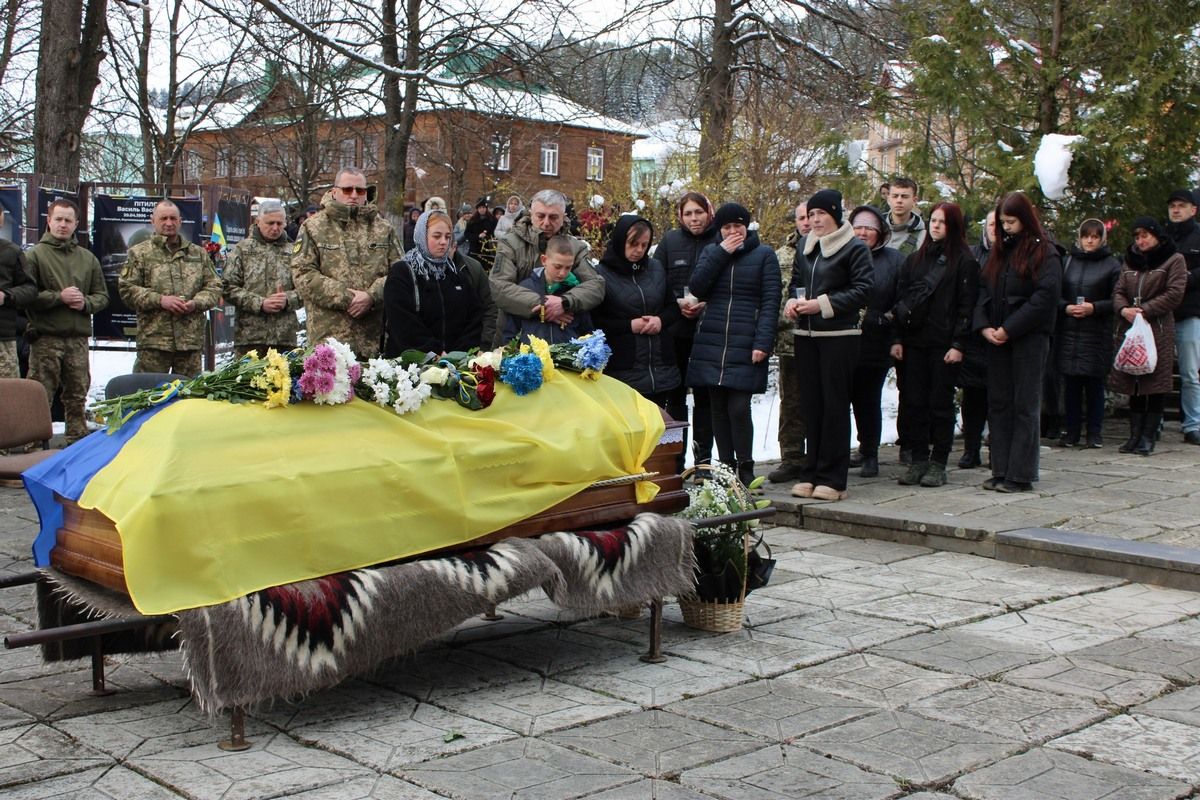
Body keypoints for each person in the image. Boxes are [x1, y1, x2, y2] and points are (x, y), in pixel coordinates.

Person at [784, 190, 873, 501]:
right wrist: (793, 302)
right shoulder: (805, 247)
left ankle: (833, 479)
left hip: (839, 337)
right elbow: (796, 284)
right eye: (811, 214)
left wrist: (821, 304)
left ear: (835, 214)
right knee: (811, 407)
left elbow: (863, 290)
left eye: (821, 213)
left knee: (834, 406)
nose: (815, 220)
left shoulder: (854, 248)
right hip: (806, 337)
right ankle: (810, 472)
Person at [689, 203, 781, 487]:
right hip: (713, 340)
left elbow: (771, 301)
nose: (732, 232)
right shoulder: (711, 252)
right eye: (726, 227)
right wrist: (721, 253)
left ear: (746, 227)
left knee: (739, 408)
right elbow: (697, 287)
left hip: (747, 340)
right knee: (717, 408)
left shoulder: (764, 255)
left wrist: (763, 342)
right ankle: (726, 467)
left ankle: (746, 466)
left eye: (737, 226)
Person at [975, 192, 1062, 492]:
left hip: (1028, 338)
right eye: (1002, 222)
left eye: (1011, 221)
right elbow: (983, 291)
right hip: (997, 336)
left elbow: (1044, 298)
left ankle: (1021, 473)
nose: (1006, 227)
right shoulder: (1000, 251)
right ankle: (1000, 468)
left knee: (1025, 404)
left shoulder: (1045, 252)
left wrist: (1009, 329)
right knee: (999, 403)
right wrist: (984, 326)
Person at [891, 202, 978, 488]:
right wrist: (897, 339)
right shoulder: (915, 260)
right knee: (914, 402)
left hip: (944, 344)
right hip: (914, 341)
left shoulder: (964, 262)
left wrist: (959, 344)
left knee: (940, 404)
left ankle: (939, 461)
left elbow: (967, 306)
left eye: (943, 221)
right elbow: (901, 300)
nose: (936, 226)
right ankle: (918, 459)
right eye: (934, 220)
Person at [291, 167, 402, 357]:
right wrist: (347, 297)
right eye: (347, 189)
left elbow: (400, 273)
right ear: (334, 191)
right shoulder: (314, 227)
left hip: (374, 341)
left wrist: (372, 296)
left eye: (360, 190)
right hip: (328, 341)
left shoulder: (384, 229)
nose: (354, 195)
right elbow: (302, 273)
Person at [23, 199, 108, 443]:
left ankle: (76, 440)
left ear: (76, 224)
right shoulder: (34, 256)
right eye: (58, 219)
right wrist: (59, 297)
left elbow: (102, 296)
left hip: (77, 338)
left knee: (77, 393)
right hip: (46, 338)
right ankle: (31, 444)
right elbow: (26, 296)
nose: (63, 224)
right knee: (39, 393)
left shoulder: (87, 258)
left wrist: (85, 303)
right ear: (48, 221)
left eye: (68, 220)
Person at [1110, 216, 1187, 456]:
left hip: (1157, 328)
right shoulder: (1129, 261)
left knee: (1155, 382)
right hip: (1131, 327)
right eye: (1137, 236)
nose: (1140, 241)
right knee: (1133, 381)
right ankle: (1134, 435)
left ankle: (1148, 436)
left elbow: (1175, 292)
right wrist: (1124, 309)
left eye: (1145, 235)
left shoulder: (1174, 259)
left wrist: (1145, 310)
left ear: (1156, 235)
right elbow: (1118, 290)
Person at [119, 199, 222, 375]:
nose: (169, 223)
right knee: (148, 391)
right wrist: (160, 300)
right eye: (163, 218)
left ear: (180, 221)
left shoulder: (198, 254)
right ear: (153, 221)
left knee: (189, 392)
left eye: (173, 218)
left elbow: (215, 286)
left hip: (189, 343)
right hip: (154, 343)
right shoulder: (139, 254)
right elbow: (127, 290)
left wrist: (196, 303)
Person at [490, 189, 604, 347]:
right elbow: (499, 286)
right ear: (531, 214)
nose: (546, 223)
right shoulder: (510, 243)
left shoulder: (575, 247)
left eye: (553, 217)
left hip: (564, 341)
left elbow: (596, 285)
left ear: (563, 217)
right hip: (516, 337)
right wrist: (544, 306)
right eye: (540, 216)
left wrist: (565, 302)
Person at [655, 191, 718, 470]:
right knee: (675, 397)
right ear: (680, 216)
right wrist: (675, 302)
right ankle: (675, 464)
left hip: (708, 332)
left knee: (705, 398)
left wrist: (707, 302)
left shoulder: (719, 240)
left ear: (709, 213)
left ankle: (703, 463)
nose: (694, 218)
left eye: (699, 212)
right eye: (688, 213)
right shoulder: (670, 241)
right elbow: (656, 279)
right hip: (675, 330)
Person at [593, 215, 680, 404]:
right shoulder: (601, 274)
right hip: (622, 369)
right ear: (620, 241)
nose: (639, 250)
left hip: (660, 368)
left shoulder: (656, 268)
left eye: (644, 245)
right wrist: (630, 325)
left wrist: (660, 321)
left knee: (661, 421)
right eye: (633, 243)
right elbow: (595, 321)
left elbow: (673, 308)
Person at [384, 210, 492, 356]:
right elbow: (402, 321)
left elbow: (474, 317)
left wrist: (457, 355)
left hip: (455, 363)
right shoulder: (403, 272)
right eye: (437, 236)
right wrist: (434, 353)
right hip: (412, 363)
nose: (443, 242)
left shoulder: (454, 273)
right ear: (422, 236)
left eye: (447, 237)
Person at [846, 205, 903, 478]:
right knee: (840, 399)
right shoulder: (842, 255)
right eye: (858, 227)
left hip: (876, 341)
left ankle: (870, 453)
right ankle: (842, 451)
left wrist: (893, 332)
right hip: (843, 340)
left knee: (867, 399)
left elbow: (902, 301)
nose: (863, 232)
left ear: (880, 231)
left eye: (869, 228)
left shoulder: (894, 261)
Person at [1054, 219, 1120, 448]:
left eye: (1094, 236)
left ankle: (1094, 432)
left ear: (1102, 239)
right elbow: (1054, 293)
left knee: (1094, 385)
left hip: (1096, 333)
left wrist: (1095, 308)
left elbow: (1117, 299)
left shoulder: (1112, 265)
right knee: (1070, 385)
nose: (1090, 241)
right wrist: (1065, 307)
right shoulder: (1067, 262)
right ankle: (1071, 431)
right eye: (1086, 236)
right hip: (1069, 331)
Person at [222, 199, 302, 357]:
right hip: (250, 338)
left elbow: (307, 288)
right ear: (258, 222)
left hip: (284, 338)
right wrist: (259, 303)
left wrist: (288, 299)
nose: (275, 228)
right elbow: (227, 287)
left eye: (279, 223)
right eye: (270, 223)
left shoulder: (294, 252)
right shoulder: (242, 250)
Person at [768, 202, 811, 483]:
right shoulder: (781, 255)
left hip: (823, 338)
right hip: (789, 340)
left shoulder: (833, 250)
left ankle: (820, 455)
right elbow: (772, 297)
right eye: (801, 217)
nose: (806, 222)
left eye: (811, 216)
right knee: (792, 402)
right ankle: (791, 457)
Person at [502, 235, 593, 344]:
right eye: (557, 267)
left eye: (568, 267)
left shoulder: (576, 291)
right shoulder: (525, 288)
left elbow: (586, 332)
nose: (562, 273)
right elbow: (511, 332)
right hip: (530, 353)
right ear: (544, 260)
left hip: (568, 353)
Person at [959, 211, 994, 468]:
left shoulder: (1013, 255)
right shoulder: (972, 254)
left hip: (1001, 334)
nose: (995, 229)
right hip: (973, 334)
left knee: (998, 398)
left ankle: (997, 450)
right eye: (991, 224)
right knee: (972, 397)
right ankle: (971, 449)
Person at [1166, 189, 1200, 444]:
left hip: (1190, 311)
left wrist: (1184, 279)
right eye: (1172, 206)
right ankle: (1153, 421)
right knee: (1157, 371)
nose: (1176, 210)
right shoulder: (1162, 237)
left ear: (1193, 209)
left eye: (1181, 205)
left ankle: (1193, 424)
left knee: (1190, 373)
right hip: (1162, 312)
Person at [0, 209, 35, 378]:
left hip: (3, 340)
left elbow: (30, 289)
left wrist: (6, 296)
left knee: (7, 392)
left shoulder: (11, 252)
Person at [884, 178, 926, 255]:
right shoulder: (874, 229)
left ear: (914, 201)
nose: (899, 200)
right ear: (888, 200)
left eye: (904, 196)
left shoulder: (924, 237)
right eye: (895, 196)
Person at [464, 198, 498, 268]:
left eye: (483, 207)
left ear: (486, 208)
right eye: (480, 208)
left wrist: (488, 237)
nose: (482, 209)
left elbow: (495, 233)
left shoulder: (492, 219)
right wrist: (478, 236)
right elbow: (467, 234)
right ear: (477, 209)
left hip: (488, 251)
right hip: (475, 250)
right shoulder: (472, 220)